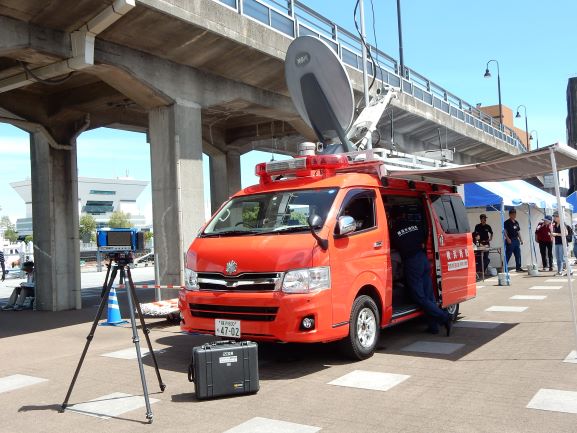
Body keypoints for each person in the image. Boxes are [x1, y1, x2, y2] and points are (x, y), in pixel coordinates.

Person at [390, 209, 452, 336]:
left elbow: (393, 248)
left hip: (412, 262)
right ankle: (433, 327)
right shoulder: (415, 225)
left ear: (393, 219)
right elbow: (425, 238)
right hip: (423, 259)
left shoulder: (394, 232)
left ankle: (444, 317)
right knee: (429, 295)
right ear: (403, 215)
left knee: (419, 297)